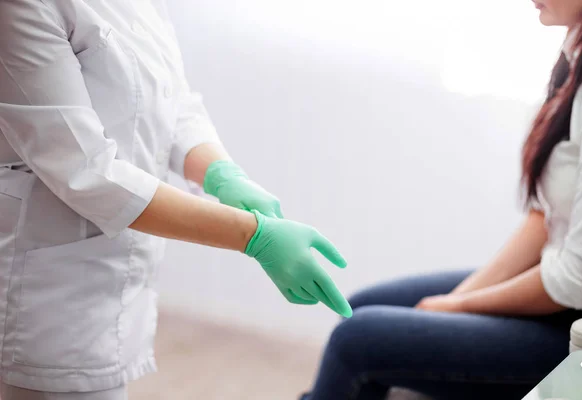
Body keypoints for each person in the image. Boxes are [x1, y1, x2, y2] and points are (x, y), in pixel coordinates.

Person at [0, 1, 352, 399]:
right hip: (51, 289)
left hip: (113, 269)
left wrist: (222, 175)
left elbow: (173, 100)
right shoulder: (24, 7)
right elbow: (85, 169)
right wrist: (253, 236)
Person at [301, 0, 582, 399]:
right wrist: (459, 300)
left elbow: (578, 281)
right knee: (358, 308)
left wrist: (457, 308)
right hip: (563, 293)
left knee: (355, 341)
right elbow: (544, 218)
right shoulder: (576, 53)